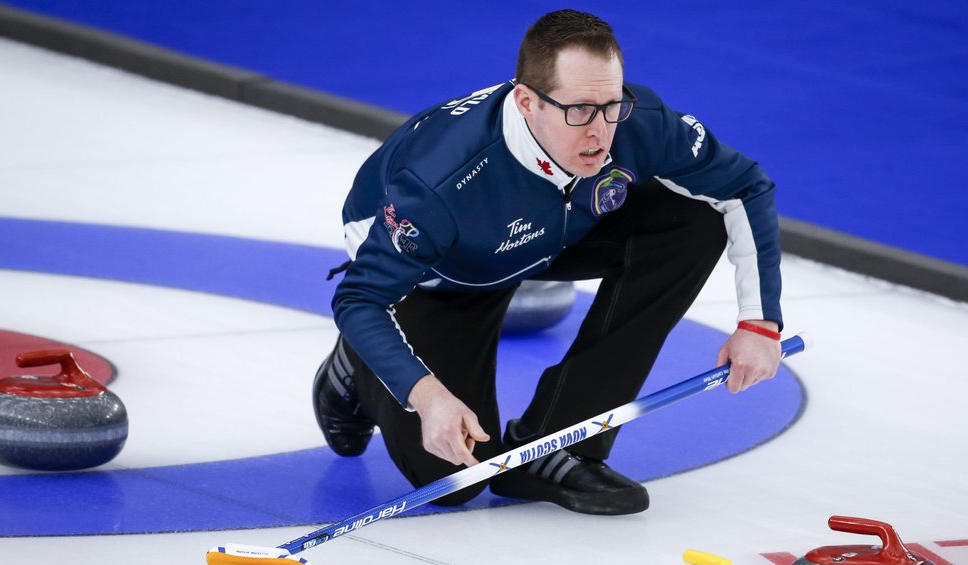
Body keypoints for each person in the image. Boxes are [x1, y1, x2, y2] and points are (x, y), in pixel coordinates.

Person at [314, 9, 783, 516]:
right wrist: (425, 394)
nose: (600, 132)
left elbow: (743, 185)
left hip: (549, 235)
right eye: (580, 109)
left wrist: (759, 322)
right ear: (527, 102)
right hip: (441, 277)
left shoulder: (638, 122)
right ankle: (353, 367)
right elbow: (360, 297)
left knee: (694, 222)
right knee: (456, 479)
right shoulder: (438, 185)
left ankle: (558, 442)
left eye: (611, 105)